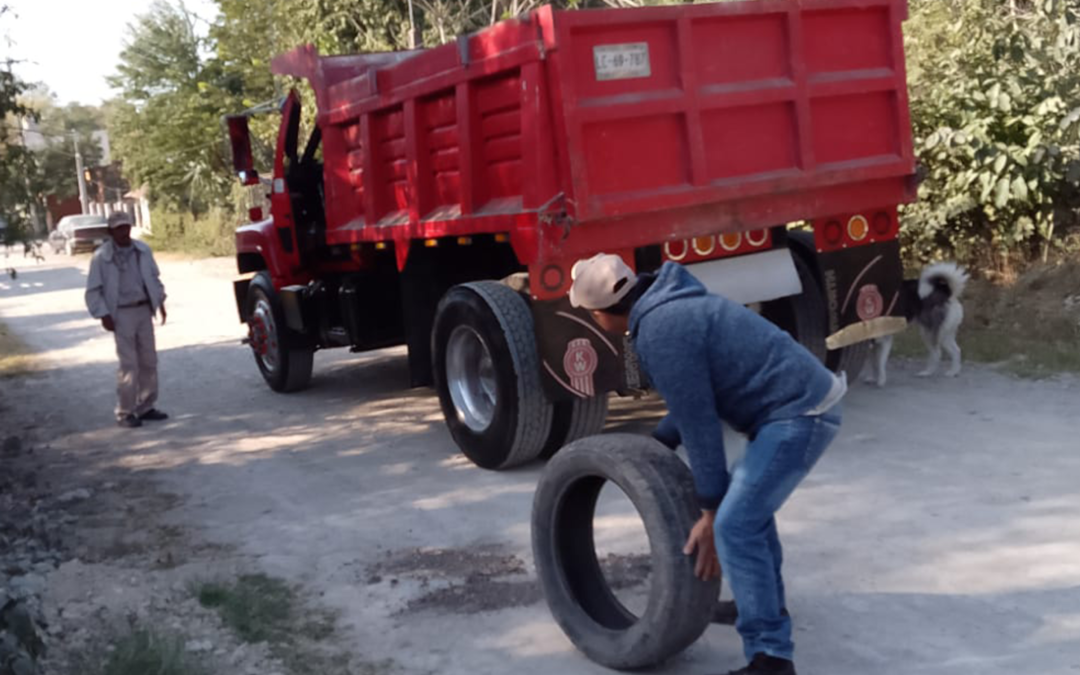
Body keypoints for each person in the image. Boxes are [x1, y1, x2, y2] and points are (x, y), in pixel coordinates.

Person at [568, 253, 845, 675]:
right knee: (749, 516)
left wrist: (710, 510)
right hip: (798, 404)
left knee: (734, 525)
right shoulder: (669, 307)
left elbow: (700, 424)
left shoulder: (660, 330)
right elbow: (694, 398)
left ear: (601, 313)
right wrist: (656, 445)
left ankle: (771, 658)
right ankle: (760, 603)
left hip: (800, 413)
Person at [85, 211, 168, 428]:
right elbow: (93, 290)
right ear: (110, 231)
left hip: (143, 309)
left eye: (126, 227)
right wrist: (103, 314)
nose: (124, 232)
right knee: (129, 364)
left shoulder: (142, 250)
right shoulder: (102, 257)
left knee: (149, 361)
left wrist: (160, 301)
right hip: (121, 313)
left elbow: (154, 278)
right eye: (119, 229)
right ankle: (125, 412)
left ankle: (146, 406)